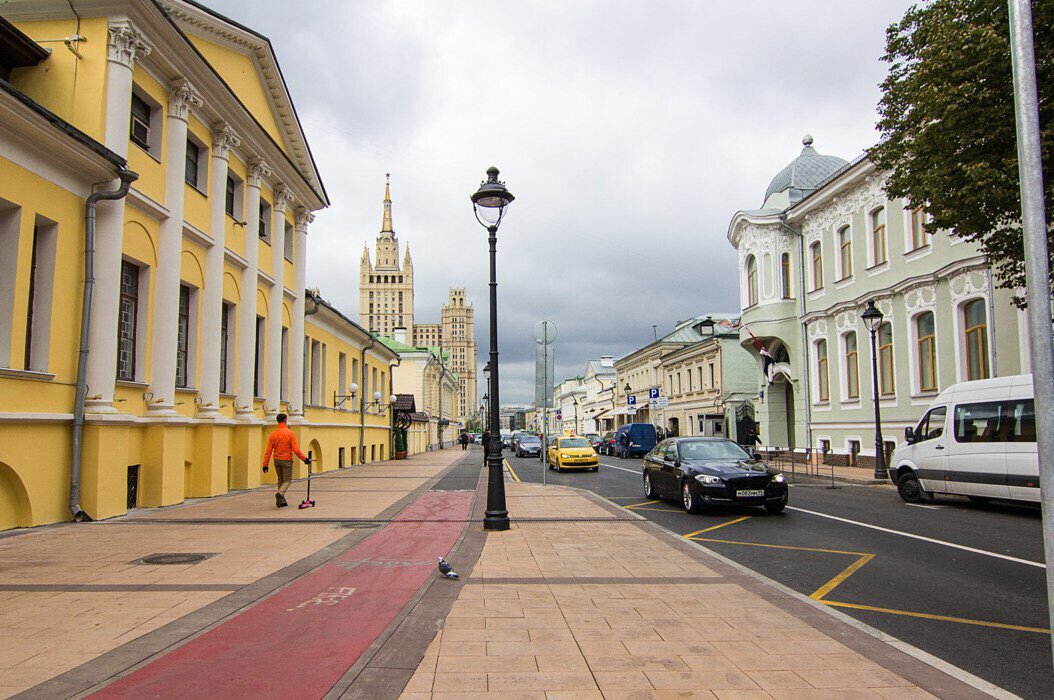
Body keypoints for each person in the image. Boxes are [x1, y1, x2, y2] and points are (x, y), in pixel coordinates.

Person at [262, 413, 310, 508]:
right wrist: (304, 459)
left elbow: (268, 450)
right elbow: (296, 450)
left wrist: (265, 464)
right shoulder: (290, 433)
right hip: (287, 460)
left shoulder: (273, 434)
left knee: (280, 480)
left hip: (276, 460)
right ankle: (280, 494)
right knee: (287, 480)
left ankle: (282, 501)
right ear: (285, 420)